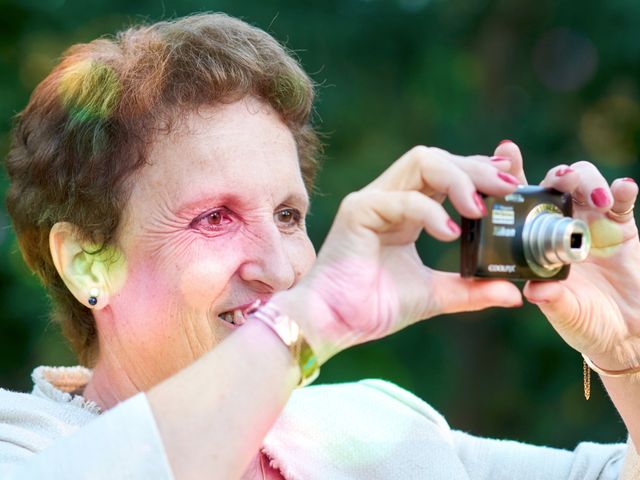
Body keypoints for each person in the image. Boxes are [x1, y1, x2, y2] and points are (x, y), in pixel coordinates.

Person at [0, 12, 638, 480]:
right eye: (216, 218)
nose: (280, 270)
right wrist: (312, 322)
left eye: (286, 214)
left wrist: (630, 356)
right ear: (88, 260)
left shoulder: (376, 429)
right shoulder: (25, 448)